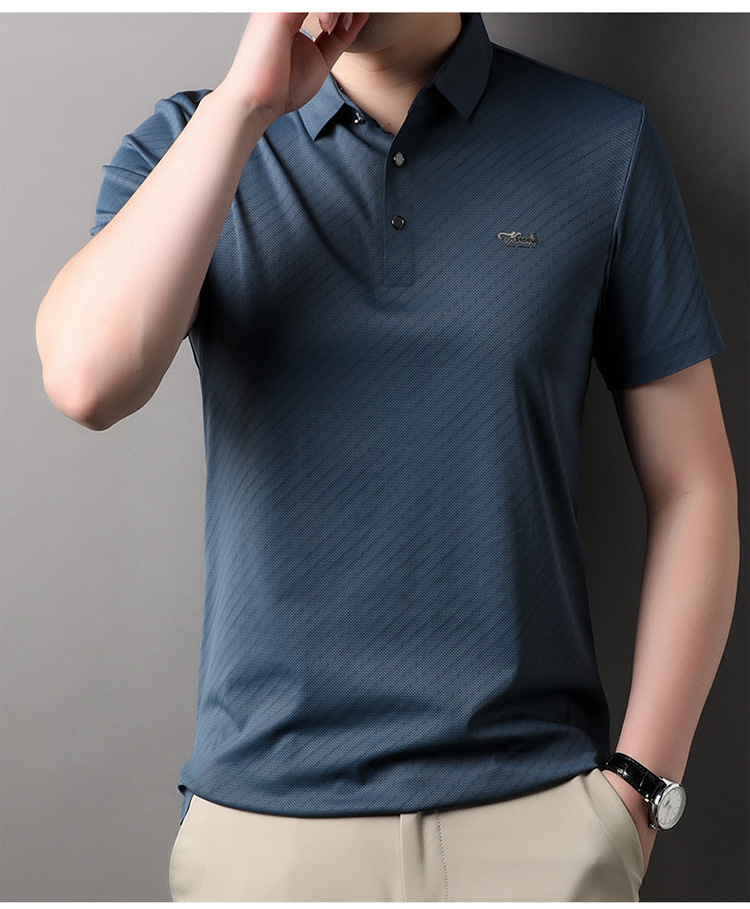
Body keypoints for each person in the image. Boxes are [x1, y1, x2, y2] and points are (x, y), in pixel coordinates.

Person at [35, 12, 739, 902]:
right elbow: (87, 381)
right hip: (266, 829)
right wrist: (246, 105)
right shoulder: (189, 141)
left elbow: (694, 485)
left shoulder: (604, 141)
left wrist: (639, 788)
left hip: (537, 822)